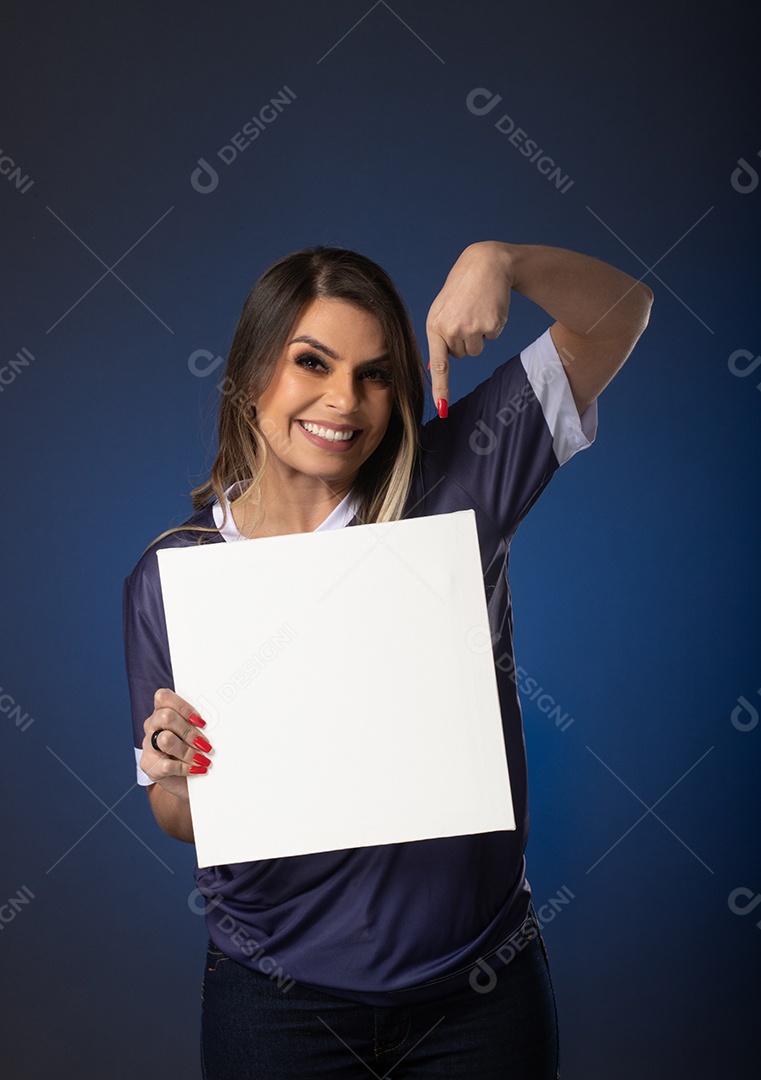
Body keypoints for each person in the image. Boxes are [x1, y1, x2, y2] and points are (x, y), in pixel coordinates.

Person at [123, 240, 652, 1078]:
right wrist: (175, 770)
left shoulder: (457, 479)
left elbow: (619, 314)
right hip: (276, 1001)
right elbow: (182, 815)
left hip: (477, 993)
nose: (345, 401)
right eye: (312, 363)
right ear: (252, 368)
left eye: (374, 373)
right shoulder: (175, 574)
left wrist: (502, 260)